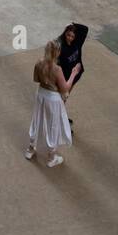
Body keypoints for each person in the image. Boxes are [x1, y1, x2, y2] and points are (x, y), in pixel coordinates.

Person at [24, 40, 81, 169]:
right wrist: (73, 73)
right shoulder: (57, 69)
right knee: (53, 125)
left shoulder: (39, 63)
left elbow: (36, 80)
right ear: (58, 53)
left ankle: (30, 149)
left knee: (36, 120)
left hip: (41, 94)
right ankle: (51, 157)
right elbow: (65, 88)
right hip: (53, 98)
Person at [57, 23, 89, 124]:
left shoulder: (77, 42)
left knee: (65, 98)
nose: (70, 38)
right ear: (65, 34)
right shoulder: (61, 47)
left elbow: (85, 29)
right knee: (61, 99)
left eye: (72, 36)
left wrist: (73, 24)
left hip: (74, 77)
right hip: (65, 79)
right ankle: (59, 119)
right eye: (68, 35)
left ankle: (60, 116)